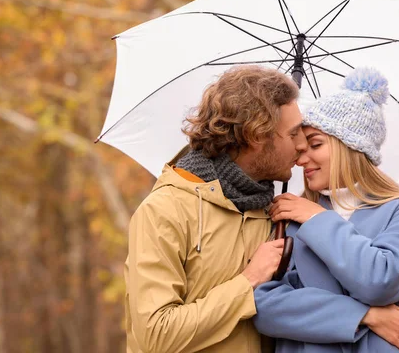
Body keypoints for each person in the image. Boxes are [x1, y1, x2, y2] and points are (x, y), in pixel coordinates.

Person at [124, 65, 307, 353]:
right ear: (257, 135)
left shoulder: (277, 214)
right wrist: (248, 281)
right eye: (294, 133)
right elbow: (156, 336)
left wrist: (368, 317)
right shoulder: (165, 210)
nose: (303, 144)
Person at [253, 67, 399, 352]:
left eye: (315, 145)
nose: (300, 159)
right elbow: (264, 306)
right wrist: (368, 315)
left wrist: (318, 218)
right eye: (299, 147)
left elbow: (379, 281)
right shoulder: (288, 215)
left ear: (349, 147)